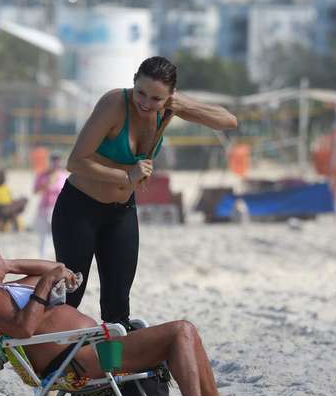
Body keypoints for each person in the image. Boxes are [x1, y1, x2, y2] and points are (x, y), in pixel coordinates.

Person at [0, 231, 253, 396]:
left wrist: (9, 264)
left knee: (188, 332)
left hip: (92, 348)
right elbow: (24, 329)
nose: (0, 252)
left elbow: (54, 266)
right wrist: (45, 285)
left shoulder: (6, 287)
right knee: (180, 331)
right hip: (79, 361)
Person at [52, 56, 237, 325]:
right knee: (70, 296)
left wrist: (182, 104)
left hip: (121, 212)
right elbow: (76, 162)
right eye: (141, 92)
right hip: (80, 209)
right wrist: (127, 175)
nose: (146, 103)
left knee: (118, 306)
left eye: (156, 99)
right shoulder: (114, 103)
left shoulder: (169, 107)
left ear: (169, 96)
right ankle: (50, 360)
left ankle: (113, 366)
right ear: (134, 82)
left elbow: (228, 121)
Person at [32, 153, 69, 258]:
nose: (56, 162)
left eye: (58, 160)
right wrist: (48, 182)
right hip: (44, 207)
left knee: (59, 234)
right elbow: (35, 190)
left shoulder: (64, 176)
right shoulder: (43, 175)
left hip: (58, 207)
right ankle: (43, 256)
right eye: (54, 160)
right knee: (44, 235)